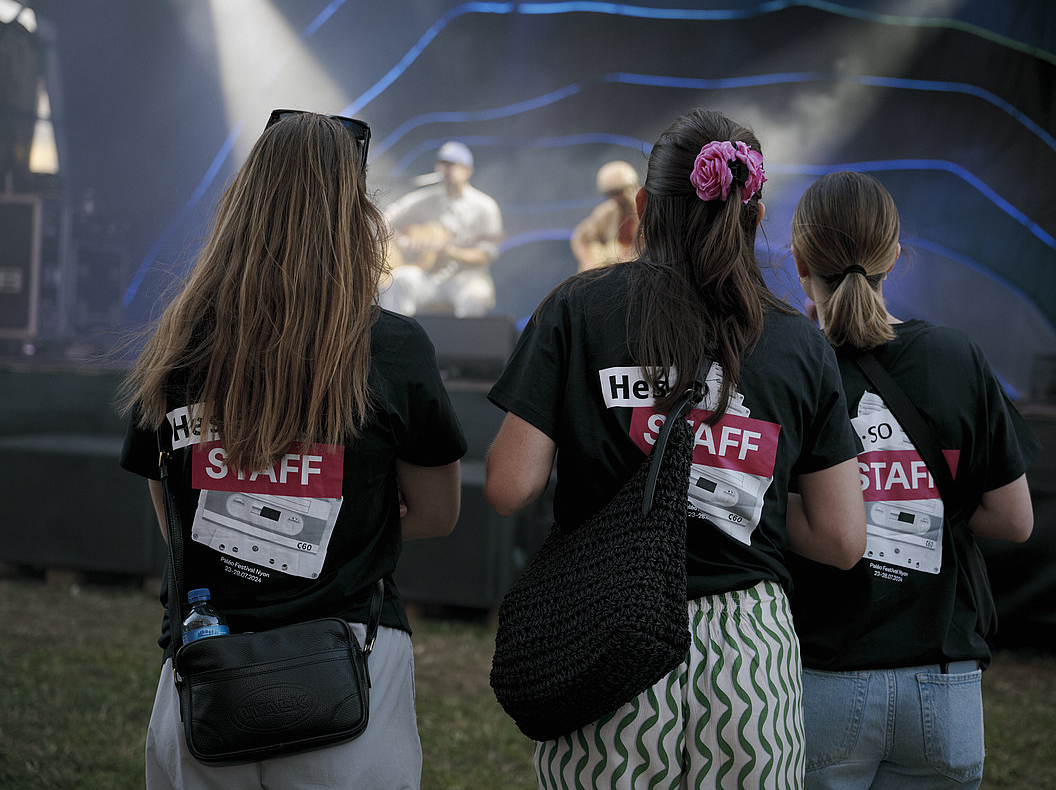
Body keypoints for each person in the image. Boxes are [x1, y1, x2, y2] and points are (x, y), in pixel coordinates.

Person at [484, 108, 867, 789]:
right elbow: (842, 539)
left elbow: (511, 485)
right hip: (750, 650)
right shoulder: (802, 345)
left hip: (604, 628)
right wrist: (751, 510)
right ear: (754, 211)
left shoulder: (577, 308)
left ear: (641, 207)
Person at [118, 110, 467, 790]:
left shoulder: (179, 340)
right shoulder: (392, 348)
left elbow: (175, 520)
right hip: (350, 676)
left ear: (241, 203)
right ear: (355, 213)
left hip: (205, 681)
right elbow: (437, 512)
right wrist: (340, 514)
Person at [787, 171, 1041, 790]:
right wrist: (925, 502)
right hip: (945, 687)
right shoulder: (958, 357)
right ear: (896, 255)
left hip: (823, 679)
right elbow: (1014, 519)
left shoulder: (788, 363)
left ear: (798, 261)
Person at [379, 140, 504, 317]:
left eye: (452, 165)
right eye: (442, 164)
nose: (446, 169)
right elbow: (385, 219)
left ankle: (463, 344)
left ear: (467, 170)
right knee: (400, 280)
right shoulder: (425, 199)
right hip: (431, 277)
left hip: (468, 278)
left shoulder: (484, 206)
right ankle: (395, 341)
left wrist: (452, 252)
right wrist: (403, 241)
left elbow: (486, 254)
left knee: (475, 297)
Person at [569, 159, 640, 271]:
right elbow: (579, 238)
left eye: (619, 192)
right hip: (616, 270)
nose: (616, 198)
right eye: (611, 194)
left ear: (632, 186)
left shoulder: (647, 209)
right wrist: (588, 263)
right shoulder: (607, 212)